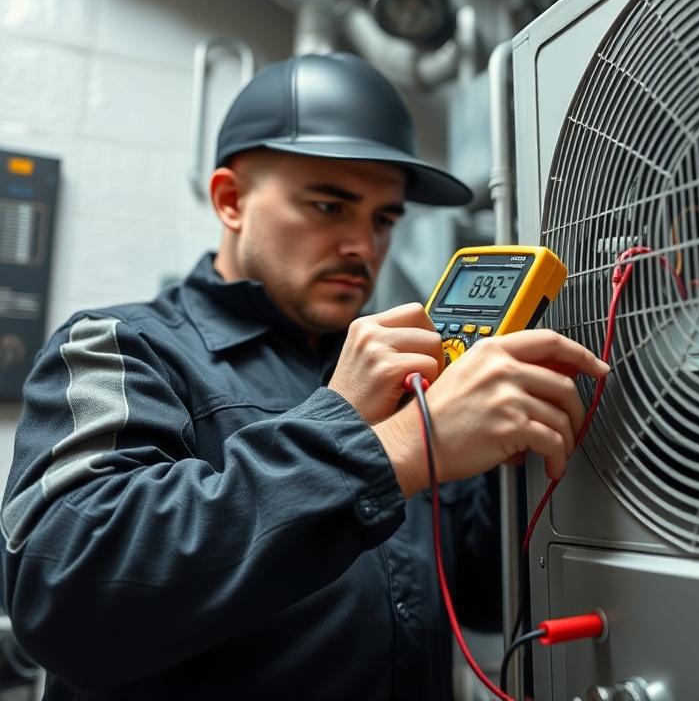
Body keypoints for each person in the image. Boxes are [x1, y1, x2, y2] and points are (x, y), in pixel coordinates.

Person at [0, 53, 608, 700]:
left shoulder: (404, 371)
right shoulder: (120, 347)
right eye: (328, 206)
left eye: (383, 219)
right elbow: (63, 590)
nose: (363, 246)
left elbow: (480, 598)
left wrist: (506, 461)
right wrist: (393, 449)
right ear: (231, 200)